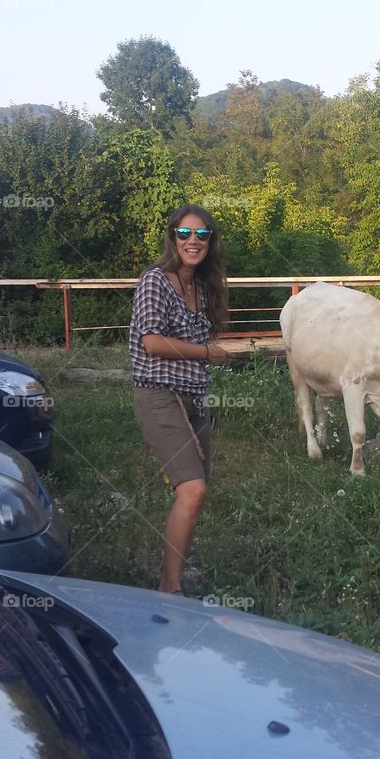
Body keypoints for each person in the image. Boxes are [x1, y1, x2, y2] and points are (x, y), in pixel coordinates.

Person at [129, 204, 229, 593]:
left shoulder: (201, 287)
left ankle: (176, 567)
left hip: (193, 396)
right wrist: (206, 353)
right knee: (192, 488)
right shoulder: (156, 280)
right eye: (185, 233)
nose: (193, 241)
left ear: (210, 242)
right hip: (158, 393)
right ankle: (169, 592)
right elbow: (152, 343)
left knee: (197, 486)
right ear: (172, 237)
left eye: (202, 235)